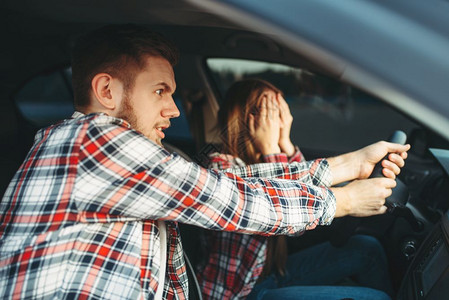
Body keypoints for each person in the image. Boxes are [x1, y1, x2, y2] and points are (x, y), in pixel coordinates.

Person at [0, 24, 409, 300]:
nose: (174, 110)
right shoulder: (95, 141)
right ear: (107, 90)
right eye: (160, 91)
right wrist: (343, 203)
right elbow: (229, 199)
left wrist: (348, 165)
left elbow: (238, 183)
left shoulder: (108, 156)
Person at [196, 78, 399, 300]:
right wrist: (271, 149)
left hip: (269, 275)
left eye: (283, 112)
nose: (282, 121)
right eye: (273, 113)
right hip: (239, 294)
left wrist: (286, 144)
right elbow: (292, 218)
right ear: (249, 119)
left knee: (365, 249)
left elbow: (304, 195)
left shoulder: (266, 162)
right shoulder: (217, 168)